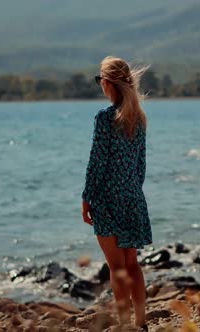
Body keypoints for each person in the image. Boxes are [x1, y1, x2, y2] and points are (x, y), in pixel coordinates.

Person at [81, 56, 153, 331]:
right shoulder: (139, 118)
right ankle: (141, 322)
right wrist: (132, 191)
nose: (100, 84)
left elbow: (96, 163)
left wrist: (87, 198)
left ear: (108, 83)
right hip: (133, 197)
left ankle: (125, 325)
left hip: (107, 198)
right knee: (132, 264)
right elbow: (141, 165)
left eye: (100, 79)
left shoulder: (104, 119)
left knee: (117, 268)